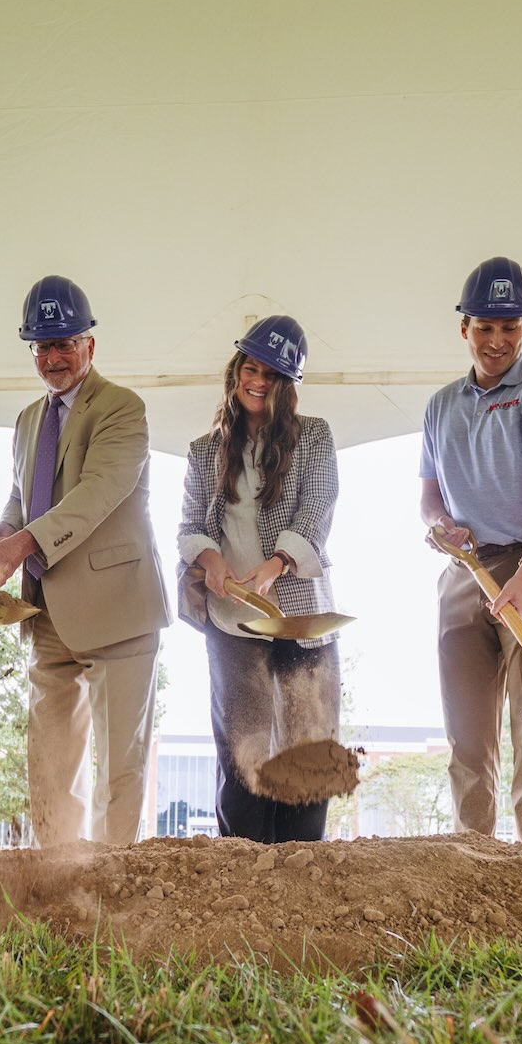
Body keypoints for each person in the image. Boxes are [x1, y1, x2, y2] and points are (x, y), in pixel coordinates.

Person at [0, 276, 169, 845]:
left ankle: (113, 892)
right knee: (52, 767)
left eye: (65, 343)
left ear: (90, 345)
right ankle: (57, 886)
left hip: (119, 612)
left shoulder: (122, 409)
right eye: (42, 346)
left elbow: (97, 492)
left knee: (118, 768)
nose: (53, 357)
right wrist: (4, 529)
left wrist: (24, 543)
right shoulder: (28, 419)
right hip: (45, 616)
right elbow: (23, 497)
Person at [419, 256, 522, 842]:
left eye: (509, 327)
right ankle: (476, 860)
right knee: (466, 735)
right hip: (464, 573)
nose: (496, 340)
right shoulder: (440, 406)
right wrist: (440, 525)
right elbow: (430, 499)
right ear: (463, 327)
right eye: (485, 327)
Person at [176, 315, 342, 844]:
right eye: (251, 368)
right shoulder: (205, 451)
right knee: (244, 756)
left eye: (273, 375)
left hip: (298, 617)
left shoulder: (313, 437)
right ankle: (243, 877)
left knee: (307, 754)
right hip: (232, 623)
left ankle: (302, 876)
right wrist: (212, 562)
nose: (258, 381)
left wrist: (275, 567)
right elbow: (189, 528)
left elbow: (316, 508)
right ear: (236, 372)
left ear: (287, 385)